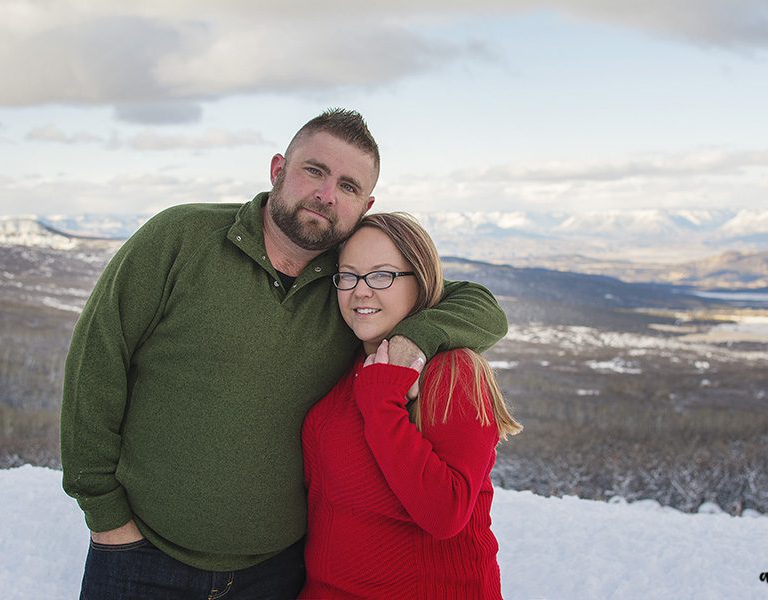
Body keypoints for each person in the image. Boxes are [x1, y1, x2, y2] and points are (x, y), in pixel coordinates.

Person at [60, 108, 509, 599]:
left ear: (365, 204)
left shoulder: (351, 278)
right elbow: (96, 366)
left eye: (349, 186)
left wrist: (415, 338)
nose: (326, 194)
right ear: (278, 170)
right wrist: (106, 516)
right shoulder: (182, 238)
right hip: (143, 557)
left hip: (275, 573)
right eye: (314, 171)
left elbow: (480, 305)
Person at [299, 213, 522, 599]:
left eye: (382, 275)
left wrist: (381, 398)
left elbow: (446, 512)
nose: (361, 291)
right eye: (348, 275)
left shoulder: (452, 372)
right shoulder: (346, 364)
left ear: (420, 284)